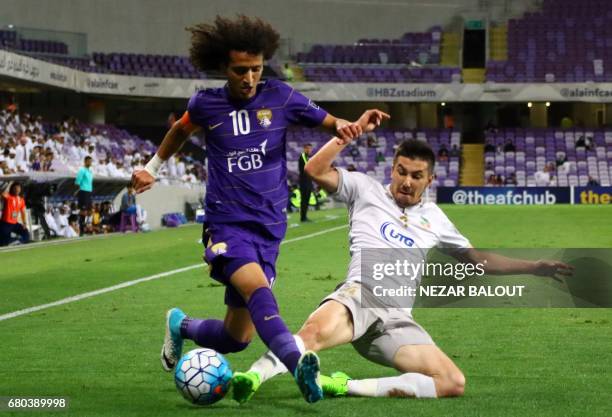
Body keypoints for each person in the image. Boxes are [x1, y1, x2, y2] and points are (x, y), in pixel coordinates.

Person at [130, 14, 390, 403]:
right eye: (240, 70)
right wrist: (151, 168)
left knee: (238, 338)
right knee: (257, 289)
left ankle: (180, 324)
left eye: (255, 69)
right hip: (226, 224)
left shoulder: (281, 97)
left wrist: (354, 125)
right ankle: (297, 363)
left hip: (269, 227)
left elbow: (332, 122)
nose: (249, 78)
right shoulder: (205, 104)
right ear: (223, 67)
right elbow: (181, 129)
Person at [231, 138, 573, 404]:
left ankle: (341, 385)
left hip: (396, 320)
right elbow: (316, 170)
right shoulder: (365, 190)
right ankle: (252, 377)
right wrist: (348, 136)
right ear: (392, 168)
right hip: (361, 295)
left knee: (451, 382)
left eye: (416, 175)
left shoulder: (436, 219)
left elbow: (477, 259)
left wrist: (534, 267)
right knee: (312, 335)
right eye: (401, 171)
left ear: (430, 179)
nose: (406, 181)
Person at [0, 182, 30, 246]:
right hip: (5, 223)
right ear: (12, 189)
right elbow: (2, 194)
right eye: (15, 188)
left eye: (19, 189)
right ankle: (13, 241)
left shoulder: (21, 200)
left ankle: (17, 241)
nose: (17, 190)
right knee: (3, 243)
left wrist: (24, 223)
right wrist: (8, 184)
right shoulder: (8, 196)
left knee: (26, 233)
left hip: (14, 223)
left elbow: (23, 212)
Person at [75, 156, 94, 234]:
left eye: (91, 161)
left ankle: (86, 226)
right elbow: (77, 182)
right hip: (83, 192)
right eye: (89, 161)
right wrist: (79, 190)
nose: (90, 163)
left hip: (89, 192)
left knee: (90, 211)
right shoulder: (82, 170)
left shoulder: (90, 171)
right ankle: (81, 229)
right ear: (85, 162)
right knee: (83, 211)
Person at [299, 143, 314, 222]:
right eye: (307, 148)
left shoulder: (308, 157)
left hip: (308, 181)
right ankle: (303, 217)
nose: (309, 150)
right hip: (304, 182)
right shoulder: (303, 156)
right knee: (304, 200)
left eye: (310, 148)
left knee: (306, 199)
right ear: (304, 149)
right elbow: (308, 167)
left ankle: (304, 216)